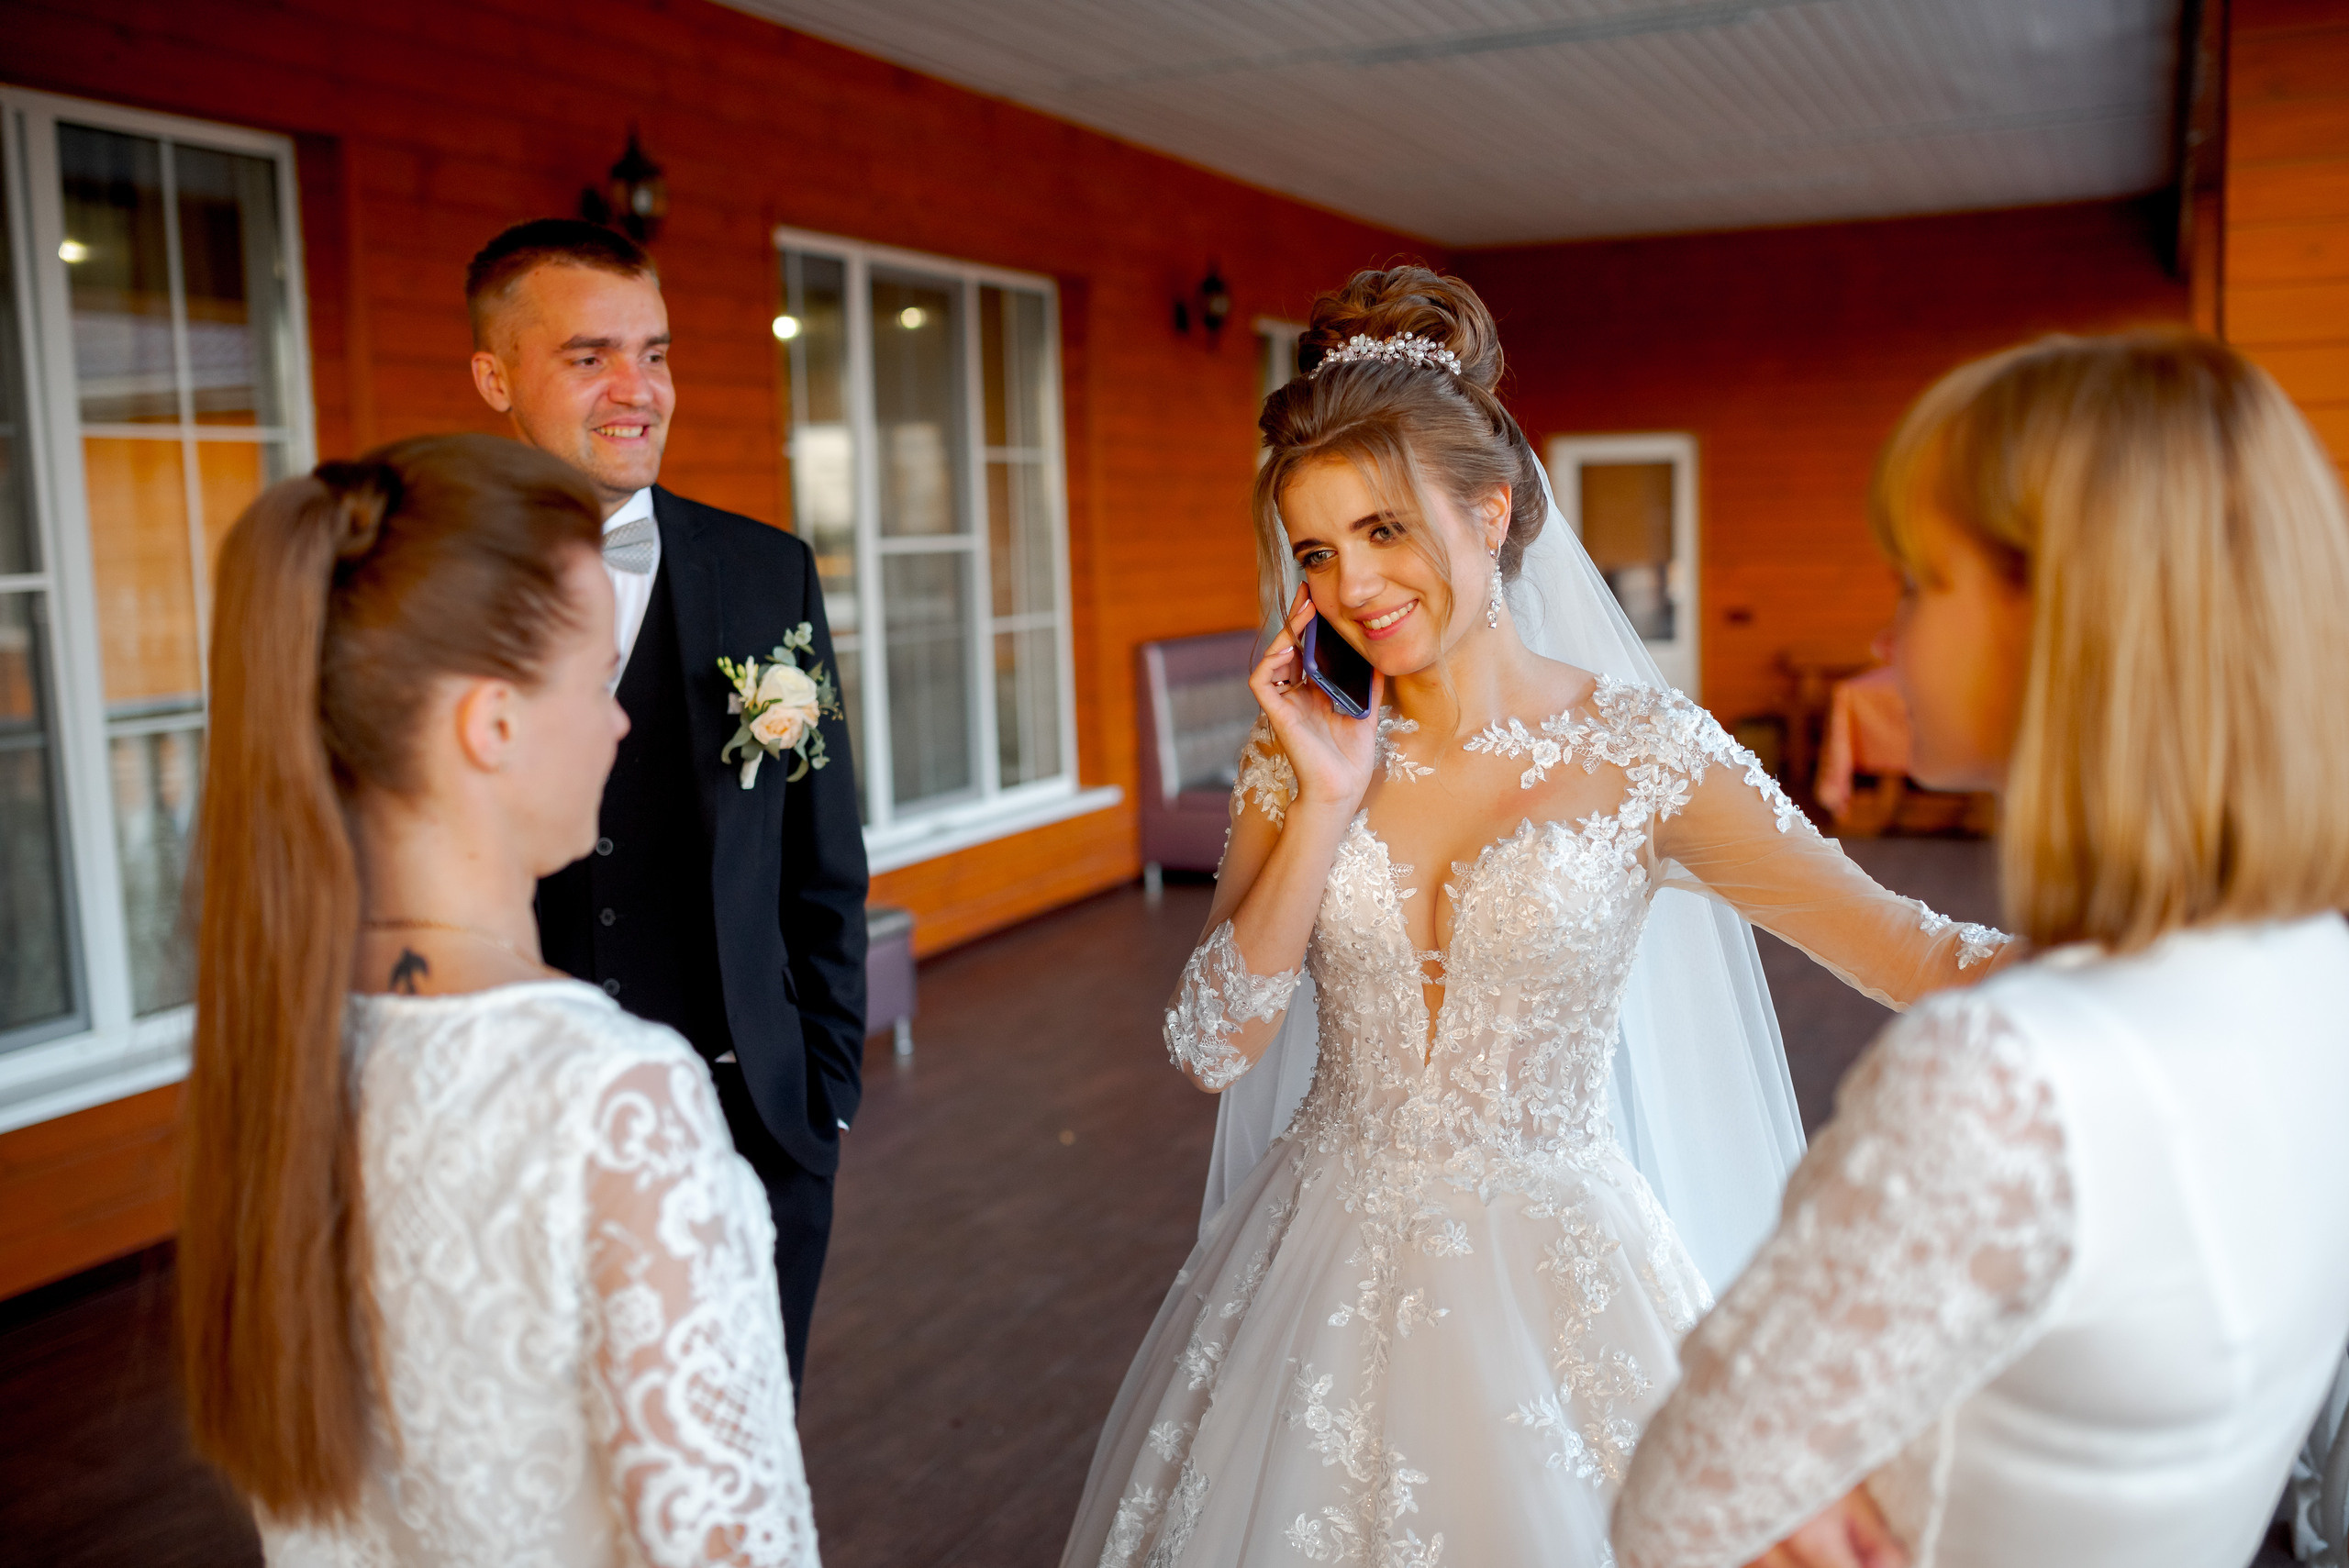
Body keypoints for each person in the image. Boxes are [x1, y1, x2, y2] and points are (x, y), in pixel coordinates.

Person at [1062, 267, 2016, 1568]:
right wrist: (1330, 792)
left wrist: (2177, 971)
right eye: (1319, 551)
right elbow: (1215, 1039)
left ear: (1493, 507)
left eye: (1387, 531)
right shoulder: (1300, 754)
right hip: (1315, 1269)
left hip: (1566, 1281)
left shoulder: (1647, 752)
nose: (1355, 586)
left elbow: (1907, 945)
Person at [1613, 333, 2349, 1568]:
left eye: (1918, 581)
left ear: (2066, 609)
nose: (1887, 638)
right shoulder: (2312, 960)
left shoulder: (2006, 1076)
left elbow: (1676, 1517)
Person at [175, 435, 818, 1564]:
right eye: (594, 677)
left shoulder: (281, 1044)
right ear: (493, 723)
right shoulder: (614, 1101)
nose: (620, 720)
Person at [465, 218, 867, 1387]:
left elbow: (820, 853)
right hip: (520, 1135)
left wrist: (823, 1093)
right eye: (589, 356)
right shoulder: (429, 583)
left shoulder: (766, 569)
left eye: (656, 352)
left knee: (738, 1466)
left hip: (755, 1128)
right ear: (496, 376)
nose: (636, 390)